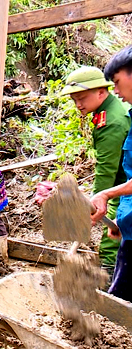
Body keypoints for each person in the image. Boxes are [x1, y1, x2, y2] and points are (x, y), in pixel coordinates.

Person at [60, 66, 130, 273]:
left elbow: (106, 171)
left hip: (122, 190)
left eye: (82, 98)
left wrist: (95, 201)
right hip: (121, 185)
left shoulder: (112, 122)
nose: (78, 104)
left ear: (101, 92)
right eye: (74, 100)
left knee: (113, 239)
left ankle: (112, 285)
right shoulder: (107, 112)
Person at [91, 46, 132, 303]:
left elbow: (109, 175)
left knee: (118, 310)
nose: (116, 91)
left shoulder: (114, 120)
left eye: (117, 82)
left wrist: (105, 194)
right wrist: (122, 223)